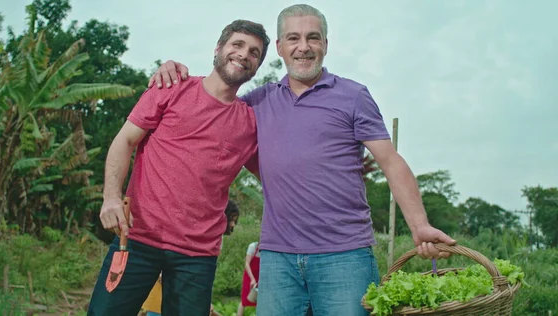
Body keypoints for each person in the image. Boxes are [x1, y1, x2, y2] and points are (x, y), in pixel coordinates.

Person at [150, 4, 457, 316]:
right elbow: (214, 100)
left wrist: (419, 225)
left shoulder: (353, 96)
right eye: (293, 38)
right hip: (278, 259)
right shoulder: (258, 101)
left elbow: (391, 162)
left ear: (325, 44)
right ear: (281, 47)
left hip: (345, 256)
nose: (304, 47)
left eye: (313, 37)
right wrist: (174, 72)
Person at [87, 19, 270, 316]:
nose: (244, 54)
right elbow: (124, 141)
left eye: (254, 53)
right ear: (219, 48)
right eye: (237, 44)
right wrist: (110, 196)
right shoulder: (171, 88)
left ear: (257, 65)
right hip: (136, 240)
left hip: (196, 257)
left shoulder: (250, 124)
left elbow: (276, 175)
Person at [141, 201, 240, 316]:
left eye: (235, 221)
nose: (233, 225)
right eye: (231, 219)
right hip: (164, 280)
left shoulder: (218, 240)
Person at [237, 241, 260, 316]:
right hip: (249, 276)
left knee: (259, 301)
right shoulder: (253, 246)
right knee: (244, 300)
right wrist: (252, 279)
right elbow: (247, 264)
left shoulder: (268, 250)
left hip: (260, 277)